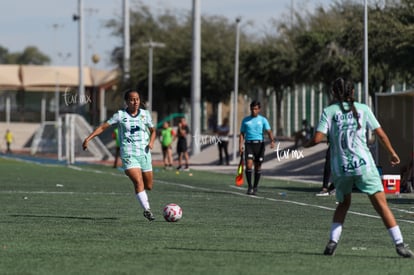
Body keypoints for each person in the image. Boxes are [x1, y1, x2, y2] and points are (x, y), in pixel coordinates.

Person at [305, 77, 413, 257]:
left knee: (343, 204)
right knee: (381, 206)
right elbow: (380, 134)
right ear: (353, 92)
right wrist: (392, 153)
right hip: (364, 166)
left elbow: (317, 138)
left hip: (341, 168)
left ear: (333, 93)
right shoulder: (363, 109)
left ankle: (332, 242)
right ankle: (399, 244)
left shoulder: (329, 111)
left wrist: (304, 144)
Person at [82, 89, 157, 221]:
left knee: (148, 186)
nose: (135, 102)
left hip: (144, 153)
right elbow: (103, 127)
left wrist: (151, 142)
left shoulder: (145, 114)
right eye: (132, 99)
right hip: (129, 154)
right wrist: (88, 138)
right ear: (127, 101)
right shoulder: (120, 115)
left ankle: (142, 196)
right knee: (138, 181)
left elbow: (153, 131)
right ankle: (147, 210)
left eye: (137, 99)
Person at [239, 100, 276, 195]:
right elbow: (242, 134)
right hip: (249, 144)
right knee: (248, 164)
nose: (253, 111)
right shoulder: (245, 120)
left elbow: (269, 131)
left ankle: (255, 186)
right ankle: (250, 186)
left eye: (255, 109)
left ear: (259, 109)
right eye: (252, 109)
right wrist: (240, 145)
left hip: (259, 145)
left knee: (258, 165)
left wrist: (272, 141)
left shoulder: (263, 120)